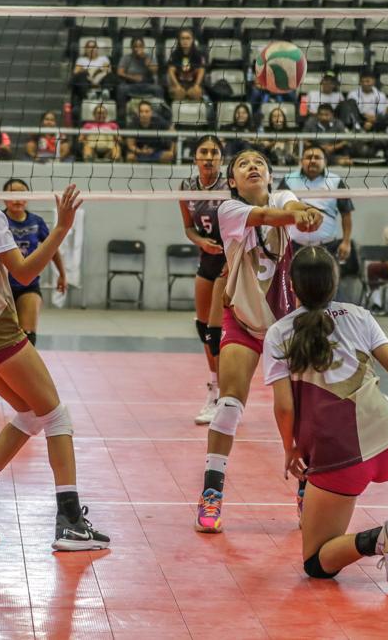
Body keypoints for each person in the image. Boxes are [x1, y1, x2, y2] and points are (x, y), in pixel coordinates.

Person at [0, 128, 110, 551]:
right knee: (57, 417)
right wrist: (62, 228)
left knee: (31, 414)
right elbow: (25, 272)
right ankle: (70, 522)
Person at [265, 246, 388, 592]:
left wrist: (289, 448)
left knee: (316, 563)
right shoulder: (360, 315)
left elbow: (284, 407)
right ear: (335, 282)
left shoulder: (279, 333)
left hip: (337, 456)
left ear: (291, 286)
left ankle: (380, 538)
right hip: (385, 439)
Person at [194, 149, 323, 534]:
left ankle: (306, 489)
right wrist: (300, 215)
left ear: (269, 176)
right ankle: (211, 494)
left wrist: (304, 212)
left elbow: (290, 206)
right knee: (229, 406)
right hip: (243, 322)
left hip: (286, 328)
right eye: (243, 164)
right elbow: (269, 217)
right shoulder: (229, 210)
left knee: (303, 412)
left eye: (260, 164)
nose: (252, 167)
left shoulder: (283, 197)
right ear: (232, 180)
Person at [177, 135, 228, 425]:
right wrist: (200, 241)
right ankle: (215, 388)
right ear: (195, 157)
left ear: (221, 157)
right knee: (202, 326)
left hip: (228, 261)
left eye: (214, 152)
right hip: (207, 259)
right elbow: (188, 227)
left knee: (216, 330)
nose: (209, 157)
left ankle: (220, 396)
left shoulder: (230, 186)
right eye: (203, 152)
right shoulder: (186, 187)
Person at [1, 178, 67, 346]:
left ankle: (26, 362)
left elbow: (52, 249)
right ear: (3, 197)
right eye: (12, 194)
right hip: (0, 287)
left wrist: (62, 274)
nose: (17, 199)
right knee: (3, 340)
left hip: (28, 285)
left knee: (27, 336)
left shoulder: (37, 222)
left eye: (22, 194)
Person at [279, 145, 354, 265]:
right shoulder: (288, 179)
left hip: (328, 246)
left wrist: (346, 242)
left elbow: (346, 213)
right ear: (301, 161)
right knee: (292, 278)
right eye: (309, 157)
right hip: (294, 245)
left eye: (317, 157)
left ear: (325, 161)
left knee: (327, 277)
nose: (313, 160)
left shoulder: (335, 181)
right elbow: (278, 211)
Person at [115, 36, 163, 116]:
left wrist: (147, 62)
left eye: (140, 46)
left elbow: (155, 71)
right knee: (121, 88)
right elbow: (119, 72)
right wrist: (133, 77)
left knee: (158, 89)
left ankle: (157, 114)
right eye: (135, 46)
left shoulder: (150, 56)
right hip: (131, 84)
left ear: (143, 47)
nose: (137, 48)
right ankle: (122, 114)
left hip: (147, 84)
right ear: (131, 47)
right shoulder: (126, 57)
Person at [71, 40, 116, 104]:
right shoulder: (81, 60)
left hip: (101, 79)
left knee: (109, 75)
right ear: (86, 49)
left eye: (94, 47)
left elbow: (108, 70)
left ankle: (105, 92)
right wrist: (89, 74)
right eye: (89, 47)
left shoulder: (103, 58)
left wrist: (97, 76)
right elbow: (76, 72)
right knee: (81, 75)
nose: (91, 49)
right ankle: (89, 94)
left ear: (97, 49)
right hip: (86, 80)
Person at [166, 29, 206, 101]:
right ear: (179, 40)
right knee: (179, 92)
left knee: (196, 92)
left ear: (192, 40)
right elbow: (171, 71)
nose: (185, 41)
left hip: (193, 84)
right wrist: (177, 86)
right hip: (178, 83)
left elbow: (201, 71)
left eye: (188, 38)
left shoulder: (198, 55)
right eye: (183, 38)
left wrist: (196, 85)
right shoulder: (174, 54)